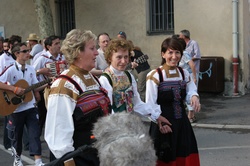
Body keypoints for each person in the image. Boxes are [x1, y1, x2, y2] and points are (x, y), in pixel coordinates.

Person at [44, 29, 111, 166]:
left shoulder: (93, 79)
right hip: (78, 160)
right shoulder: (64, 86)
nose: (97, 52)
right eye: (92, 48)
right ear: (78, 52)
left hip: (96, 156)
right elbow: (59, 135)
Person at [146, 37, 201, 165]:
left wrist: (194, 97)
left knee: (184, 156)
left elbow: (191, 90)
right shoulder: (155, 75)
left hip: (182, 124)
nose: (174, 56)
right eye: (170, 52)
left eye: (177, 52)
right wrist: (159, 121)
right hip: (163, 125)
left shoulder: (184, 73)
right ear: (163, 54)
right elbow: (150, 104)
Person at [99, 38, 169, 123]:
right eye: (119, 57)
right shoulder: (105, 79)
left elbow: (137, 104)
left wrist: (156, 115)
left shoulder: (129, 76)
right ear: (110, 58)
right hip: (115, 127)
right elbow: (108, 110)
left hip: (130, 124)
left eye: (126, 57)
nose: (124, 61)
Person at [0, 42, 45, 166]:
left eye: (28, 51)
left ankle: (38, 161)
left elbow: (34, 85)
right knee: (17, 136)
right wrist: (13, 89)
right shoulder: (10, 69)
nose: (28, 53)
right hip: (16, 109)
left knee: (35, 133)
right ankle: (17, 158)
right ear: (16, 54)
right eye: (25, 51)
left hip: (30, 107)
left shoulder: (31, 69)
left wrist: (43, 88)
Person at [32, 35, 65, 133]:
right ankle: (35, 138)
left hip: (60, 89)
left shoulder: (62, 57)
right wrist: (40, 71)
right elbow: (31, 72)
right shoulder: (42, 58)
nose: (59, 46)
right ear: (48, 47)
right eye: (56, 44)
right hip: (45, 90)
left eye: (59, 43)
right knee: (43, 116)